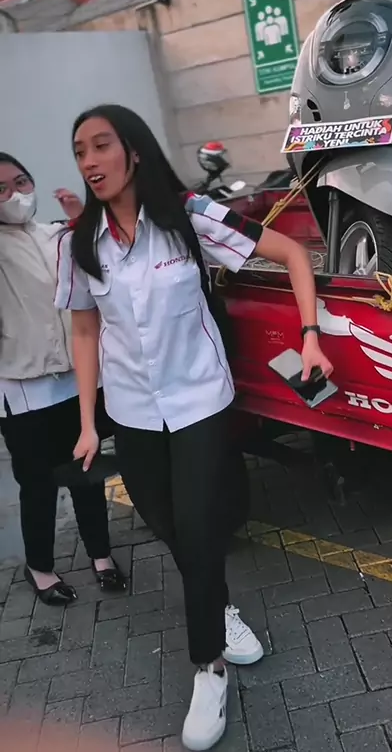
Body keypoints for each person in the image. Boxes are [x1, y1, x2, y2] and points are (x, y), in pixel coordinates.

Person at [54, 104, 333, 752]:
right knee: (171, 528)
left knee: (201, 530)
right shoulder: (80, 243)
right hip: (132, 413)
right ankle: (221, 608)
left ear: (135, 151)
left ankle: (209, 668)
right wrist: (89, 423)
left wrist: (310, 336)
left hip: (200, 403)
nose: (90, 161)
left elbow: (291, 252)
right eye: (80, 150)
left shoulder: (190, 217)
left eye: (101, 145)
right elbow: (85, 331)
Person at [0, 153, 126, 605]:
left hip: (76, 379)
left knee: (86, 473)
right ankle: (40, 567)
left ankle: (101, 556)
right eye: (1, 189)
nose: (16, 195)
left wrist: (80, 219)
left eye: (21, 181)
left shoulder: (55, 235)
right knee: (37, 485)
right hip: (22, 387)